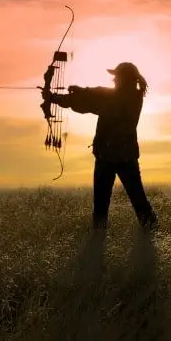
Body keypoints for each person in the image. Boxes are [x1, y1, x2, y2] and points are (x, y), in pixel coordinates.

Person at [43, 62, 159, 232]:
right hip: (122, 157)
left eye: (116, 76)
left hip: (111, 158)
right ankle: (145, 236)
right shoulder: (131, 96)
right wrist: (81, 92)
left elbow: (95, 100)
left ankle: (146, 237)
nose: (114, 80)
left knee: (110, 204)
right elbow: (99, 96)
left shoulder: (127, 98)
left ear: (124, 79)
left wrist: (55, 98)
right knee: (127, 201)